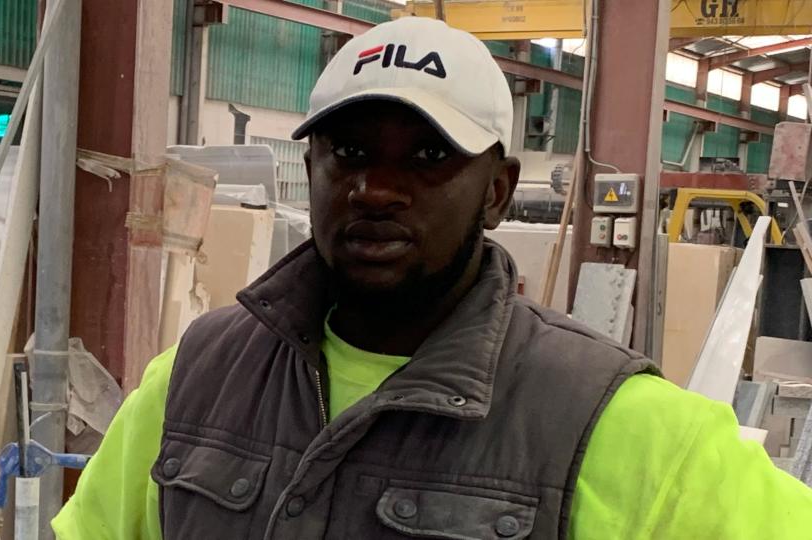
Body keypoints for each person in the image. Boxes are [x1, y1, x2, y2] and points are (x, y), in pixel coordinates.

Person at [52, 17, 812, 539]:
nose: (376, 190)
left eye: (427, 158)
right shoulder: (194, 380)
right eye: (348, 152)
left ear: (497, 190)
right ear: (309, 167)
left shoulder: (615, 424)